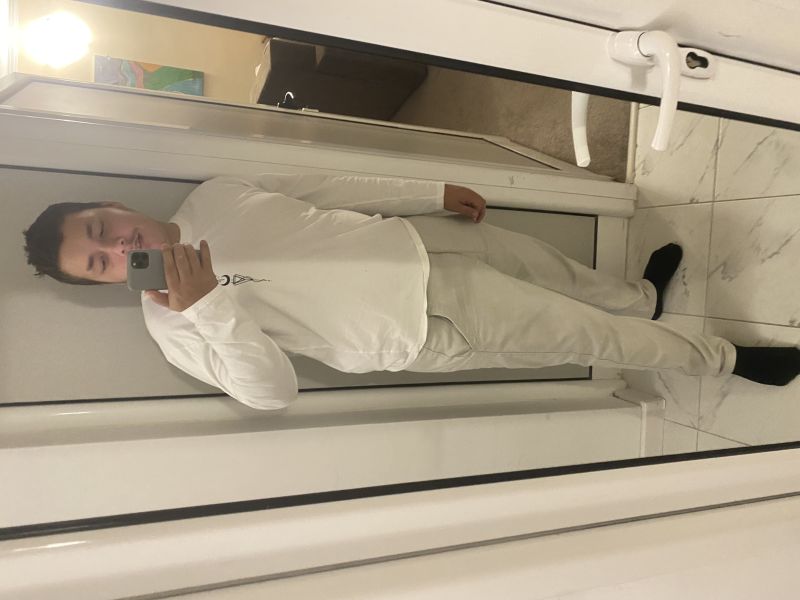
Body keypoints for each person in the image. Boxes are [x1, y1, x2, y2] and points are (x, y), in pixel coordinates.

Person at [23, 173, 800, 410]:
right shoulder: (173, 327)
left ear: (112, 206)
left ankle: (641, 295)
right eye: (98, 262)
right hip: (423, 323)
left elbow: (327, 189)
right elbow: (270, 394)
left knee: (551, 267)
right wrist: (209, 308)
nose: (116, 247)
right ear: (102, 284)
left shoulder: (216, 194)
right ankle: (727, 359)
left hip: (423, 244)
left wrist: (429, 192)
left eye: (101, 227)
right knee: (589, 337)